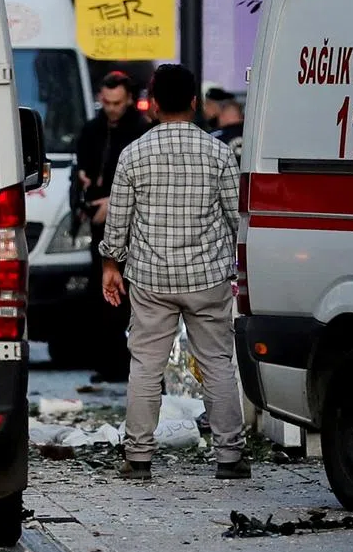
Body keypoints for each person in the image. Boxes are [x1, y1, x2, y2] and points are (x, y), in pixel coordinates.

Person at [98, 63, 249, 481]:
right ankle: (230, 457)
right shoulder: (218, 153)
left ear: (153, 103)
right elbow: (236, 219)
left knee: (146, 366)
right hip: (208, 279)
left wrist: (111, 264)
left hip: (150, 280)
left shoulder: (134, 154)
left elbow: (118, 224)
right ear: (195, 103)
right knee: (218, 363)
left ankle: (139, 457)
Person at [71, 70, 151, 382]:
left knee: (131, 295)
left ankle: (129, 363)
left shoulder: (139, 132)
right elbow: (82, 170)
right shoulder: (93, 130)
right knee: (102, 294)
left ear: (129, 99)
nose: (112, 109)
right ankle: (108, 362)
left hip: (132, 228)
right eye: (107, 102)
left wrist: (112, 204)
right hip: (98, 223)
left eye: (117, 103)